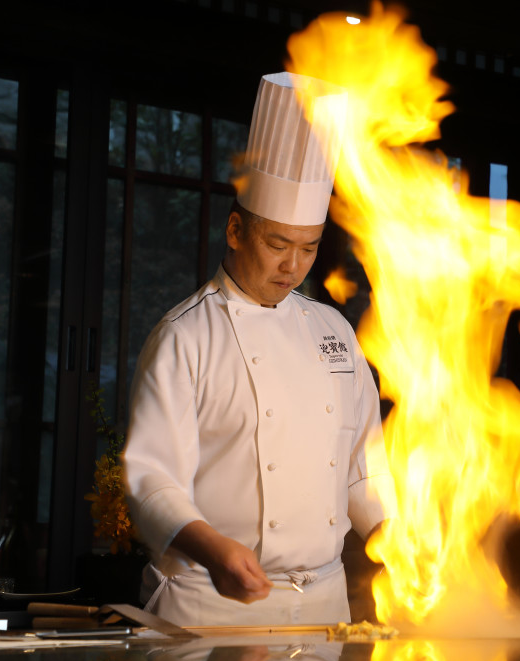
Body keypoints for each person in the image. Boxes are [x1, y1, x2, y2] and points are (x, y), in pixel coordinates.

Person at [122, 72, 393, 627]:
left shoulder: (333, 330)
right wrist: (214, 550)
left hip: (323, 606)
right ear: (236, 230)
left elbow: (364, 468)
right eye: (277, 244)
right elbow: (152, 480)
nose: (292, 266)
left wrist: (396, 537)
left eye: (309, 248)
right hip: (211, 604)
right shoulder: (185, 336)